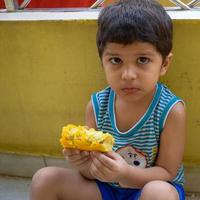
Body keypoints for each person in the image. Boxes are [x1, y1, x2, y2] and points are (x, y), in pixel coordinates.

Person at [29, 0, 186, 199]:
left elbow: (167, 172)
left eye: (142, 60)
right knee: (44, 179)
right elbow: (89, 174)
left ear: (164, 64)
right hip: (106, 189)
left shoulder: (170, 110)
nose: (128, 74)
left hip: (147, 189)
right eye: (116, 60)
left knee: (159, 192)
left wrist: (125, 174)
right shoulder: (96, 106)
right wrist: (85, 165)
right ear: (102, 62)